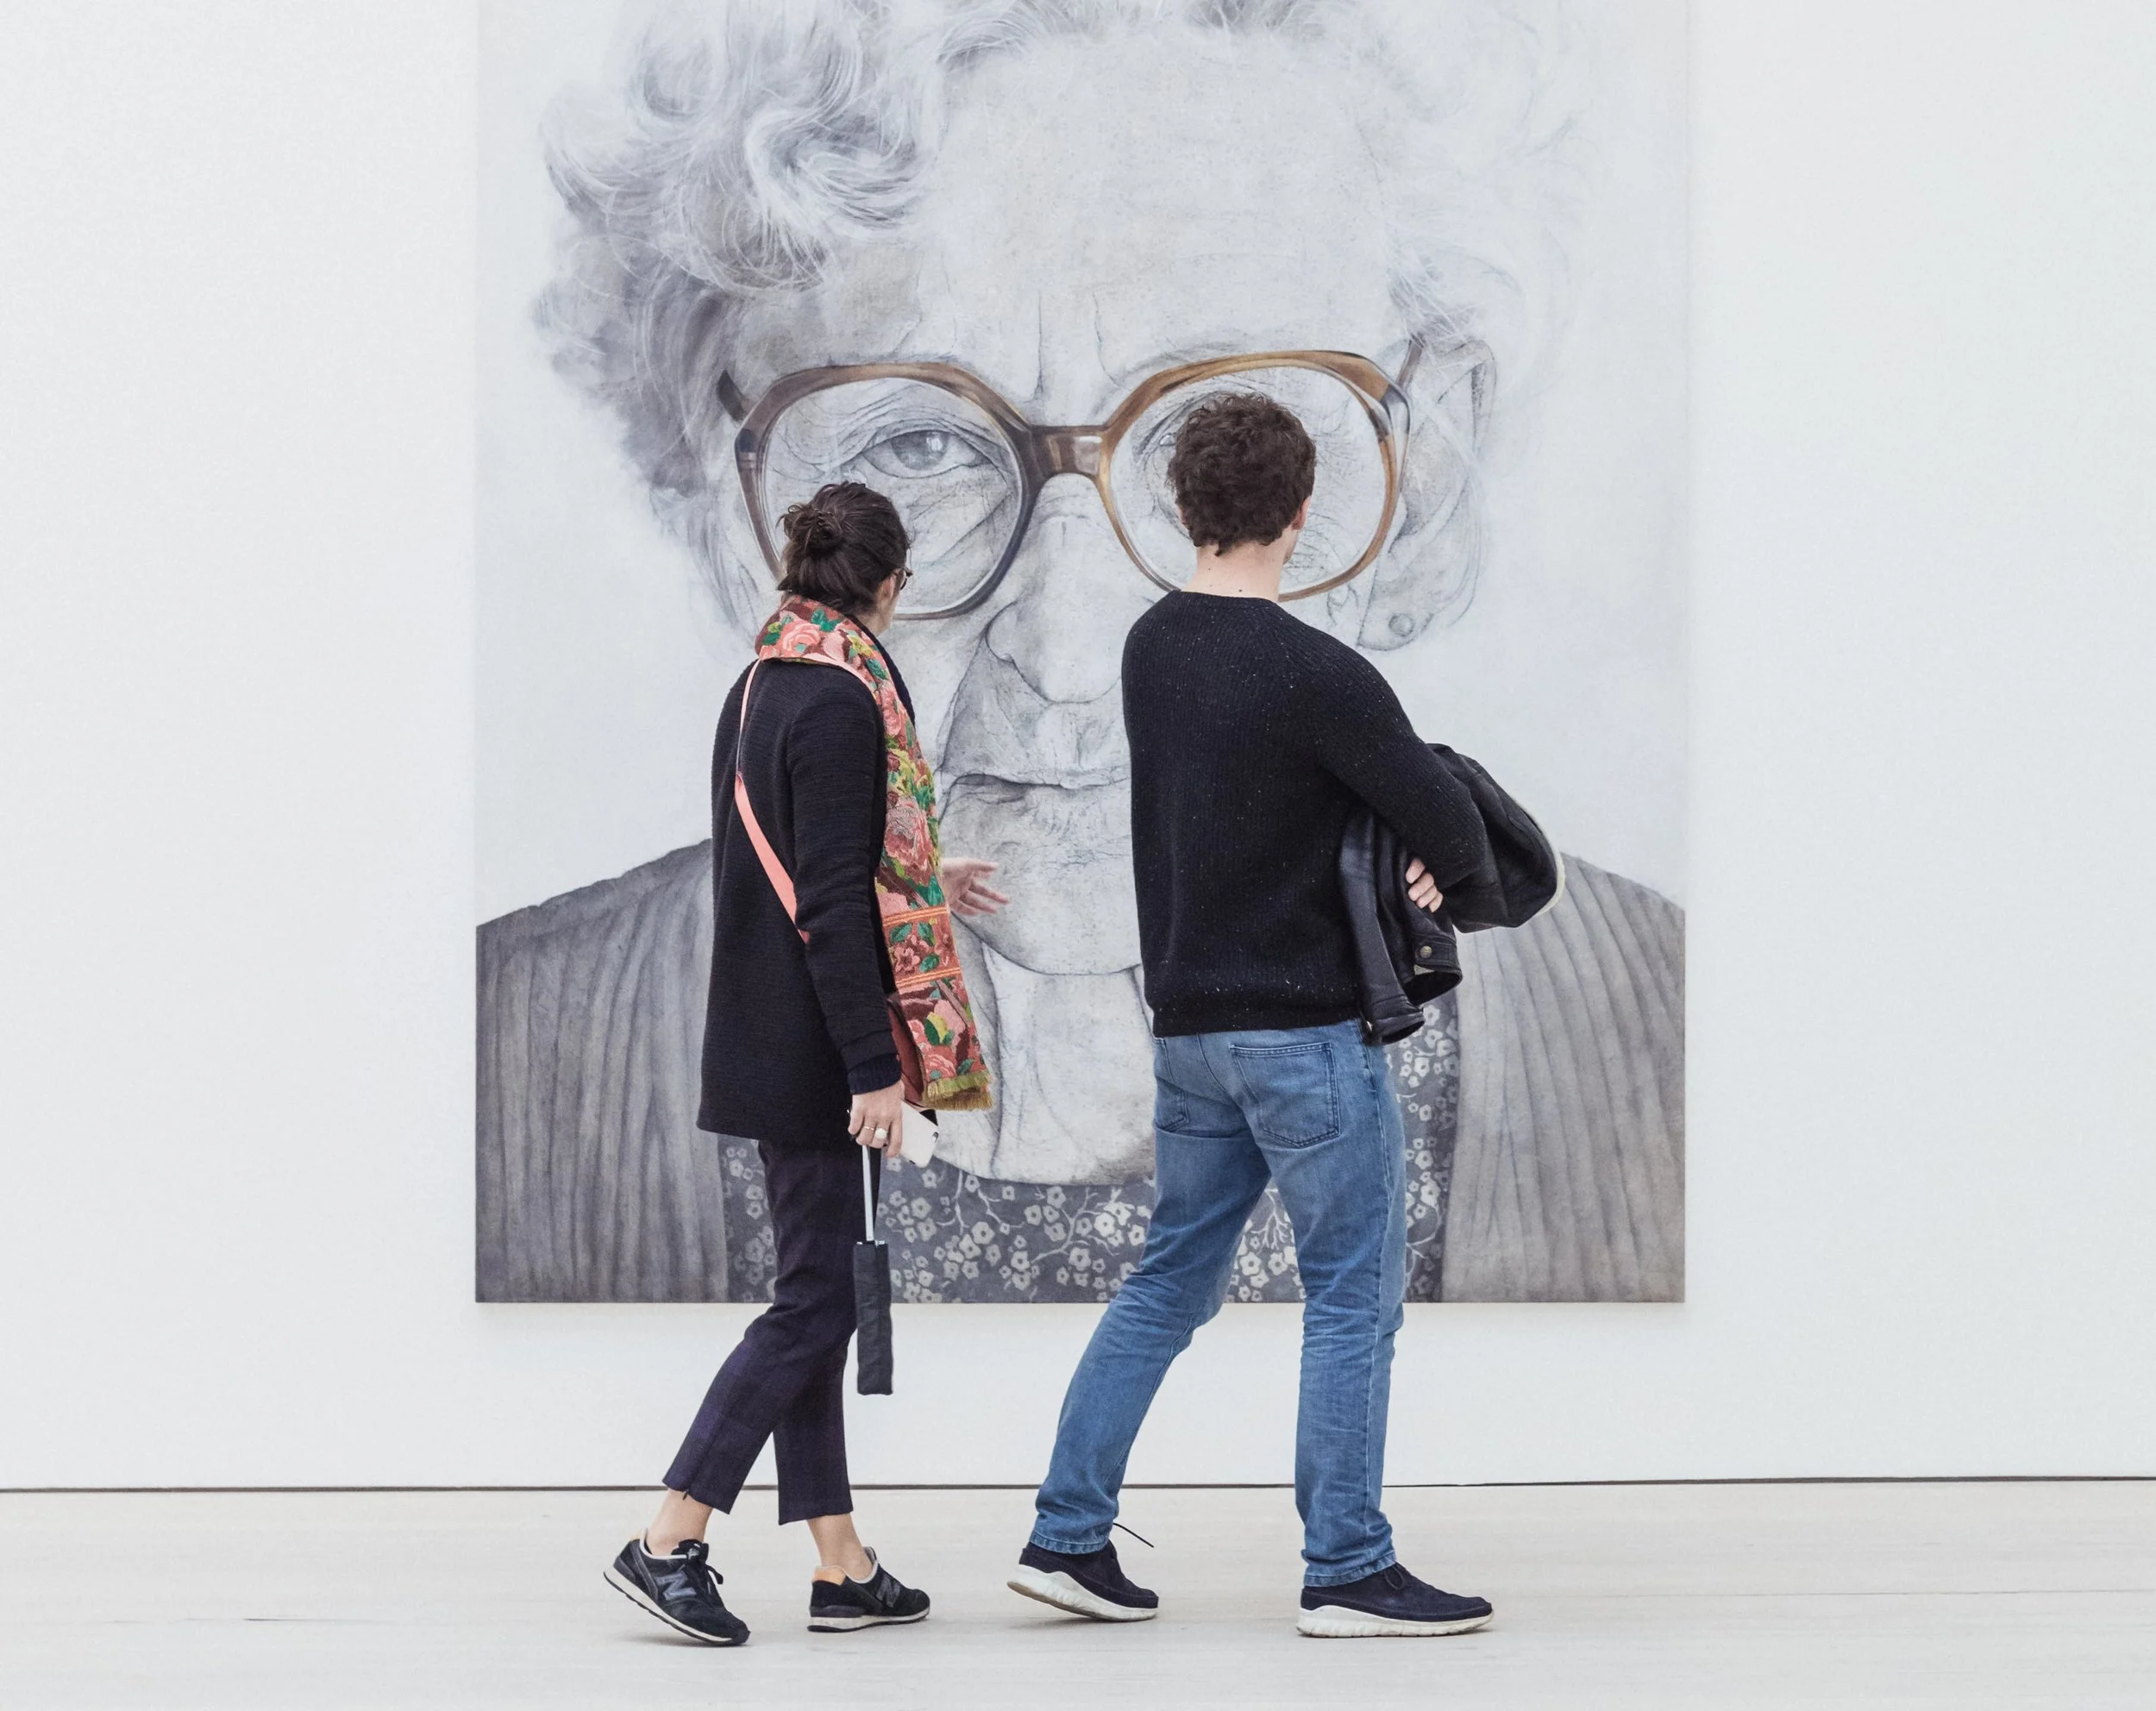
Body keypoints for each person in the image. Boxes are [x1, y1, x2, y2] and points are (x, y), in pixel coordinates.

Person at [478, 0, 1683, 1308]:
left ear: (1423, 481)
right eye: (916, 445)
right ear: (739, 506)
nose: (1067, 657)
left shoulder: (1665, 1018)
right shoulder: (513, 1046)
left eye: (1216, 446)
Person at [1008, 396, 1495, 1639]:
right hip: (1305, 1038)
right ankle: (1348, 1568)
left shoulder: (1150, 650)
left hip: (1189, 1034)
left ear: (1183, 507)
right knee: (1350, 1298)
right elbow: (1453, 832)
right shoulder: (1323, 675)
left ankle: (1066, 1537)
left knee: (1168, 1281)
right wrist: (1428, 860)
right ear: (1300, 512)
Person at [603, 482, 1004, 1645]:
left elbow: (804, 857)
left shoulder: (765, 681)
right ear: (890, 585)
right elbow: (823, 898)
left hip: (774, 1031)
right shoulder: (840, 698)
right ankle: (668, 1537)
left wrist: (922, 879)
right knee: (816, 1302)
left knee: (816, 1295)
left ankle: (841, 1565)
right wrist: (874, 1069)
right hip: (819, 1050)